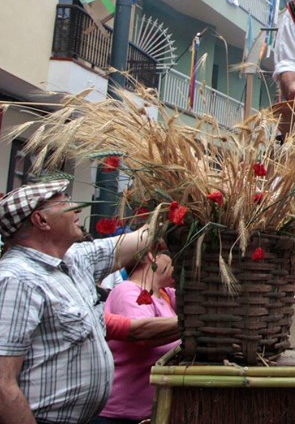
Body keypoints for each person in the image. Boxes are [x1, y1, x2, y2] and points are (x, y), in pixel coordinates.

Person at [0, 180, 151, 424]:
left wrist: (181, 206)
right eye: (65, 202)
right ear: (41, 220)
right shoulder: (16, 278)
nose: (77, 208)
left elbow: (142, 238)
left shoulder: (75, 259)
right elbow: (2, 385)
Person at [94, 251, 178, 424]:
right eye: (170, 255)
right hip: (120, 416)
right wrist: (191, 323)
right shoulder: (128, 291)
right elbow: (144, 335)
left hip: (148, 412)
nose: (174, 262)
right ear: (151, 255)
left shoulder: (165, 295)